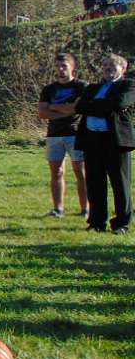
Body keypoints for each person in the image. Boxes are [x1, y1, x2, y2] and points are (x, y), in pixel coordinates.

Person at [69, 54, 134, 234]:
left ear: (123, 68)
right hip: (92, 140)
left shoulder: (128, 85)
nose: (108, 69)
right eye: (105, 66)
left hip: (115, 141)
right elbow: (80, 107)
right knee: (95, 183)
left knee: (120, 184)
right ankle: (97, 222)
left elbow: (120, 103)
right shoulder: (92, 88)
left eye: (113, 65)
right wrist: (105, 106)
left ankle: (122, 224)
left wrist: (95, 106)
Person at [37, 52, 88, 218]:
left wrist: (53, 107)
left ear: (72, 67)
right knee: (56, 172)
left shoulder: (81, 86)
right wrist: (65, 109)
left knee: (80, 172)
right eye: (58, 66)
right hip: (54, 135)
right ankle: (58, 209)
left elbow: (77, 108)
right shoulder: (49, 89)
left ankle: (85, 209)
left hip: (76, 134)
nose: (60, 69)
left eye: (64, 66)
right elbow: (42, 113)